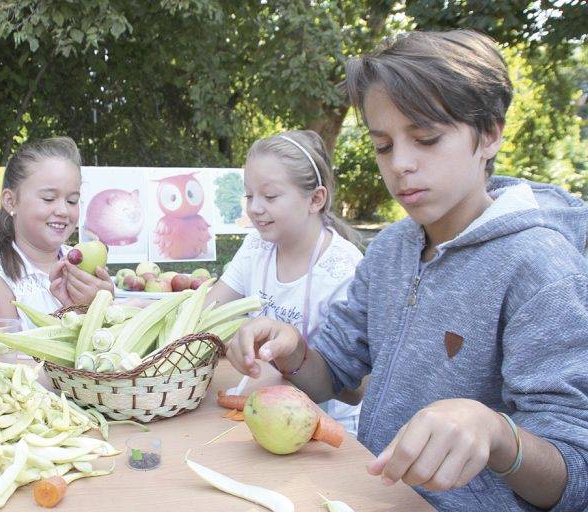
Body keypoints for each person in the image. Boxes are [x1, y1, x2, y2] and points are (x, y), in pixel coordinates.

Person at [227, 30, 588, 511]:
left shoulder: (542, 268)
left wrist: (497, 434)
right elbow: (331, 376)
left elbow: (575, 475)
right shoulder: (390, 250)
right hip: (370, 496)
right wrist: (293, 351)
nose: (400, 164)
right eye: (382, 146)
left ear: (489, 134)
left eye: (426, 139)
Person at [207, 129, 366, 434]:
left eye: (270, 196)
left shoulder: (344, 270)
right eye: (249, 195)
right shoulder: (256, 247)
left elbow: (354, 387)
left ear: (315, 199)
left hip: (328, 431)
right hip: (267, 416)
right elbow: (209, 311)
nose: (254, 208)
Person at [0, 136, 113, 329]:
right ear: (11, 201)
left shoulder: (80, 264)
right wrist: (81, 313)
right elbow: (6, 349)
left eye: (72, 201)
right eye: (48, 198)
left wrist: (108, 307)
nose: (63, 211)